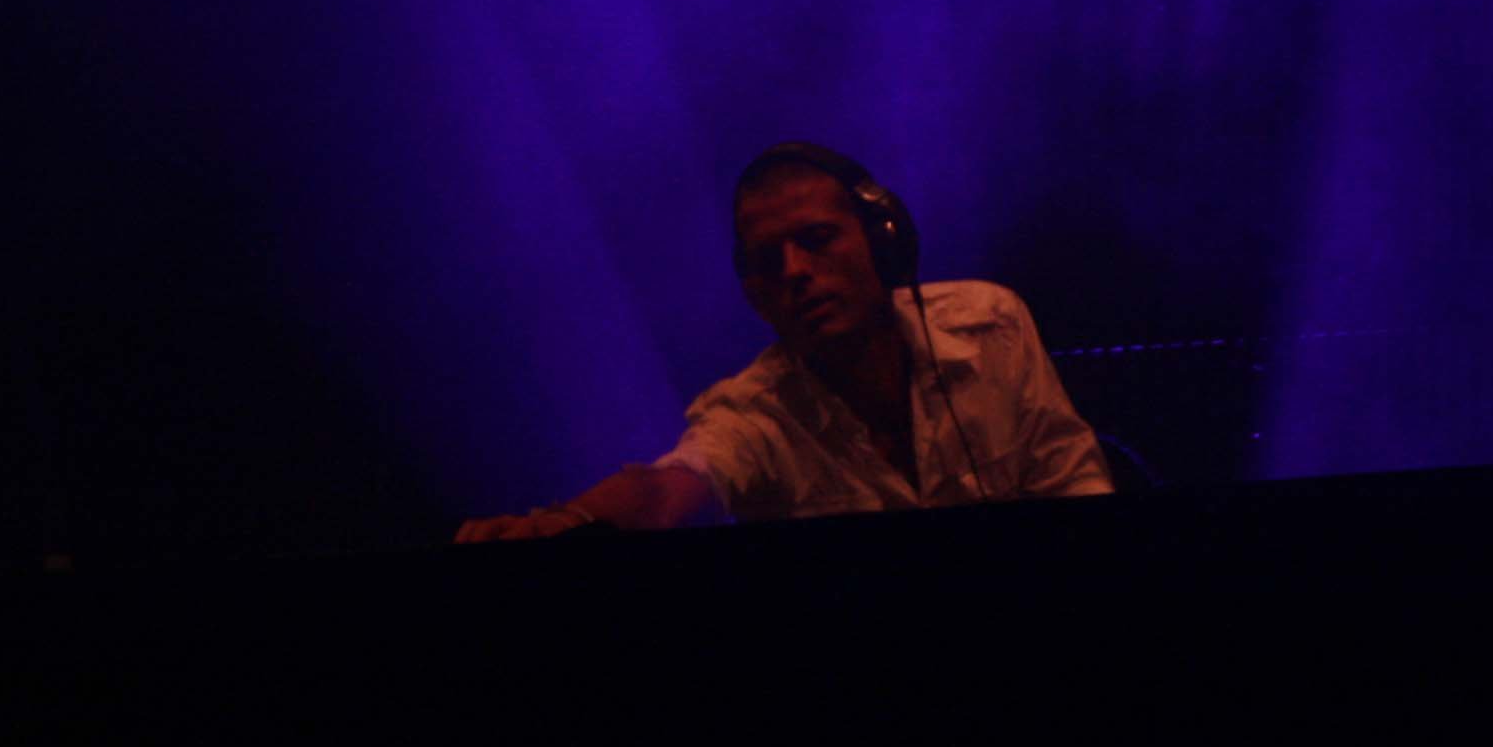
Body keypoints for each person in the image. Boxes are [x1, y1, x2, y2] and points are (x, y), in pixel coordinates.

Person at [454, 144, 1113, 541]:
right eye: (769, 261)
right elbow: (669, 487)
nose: (795, 270)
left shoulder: (990, 323)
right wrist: (564, 524)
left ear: (881, 242)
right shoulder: (753, 414)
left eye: (817, 240)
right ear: (755, 295)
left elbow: (1076, 482)